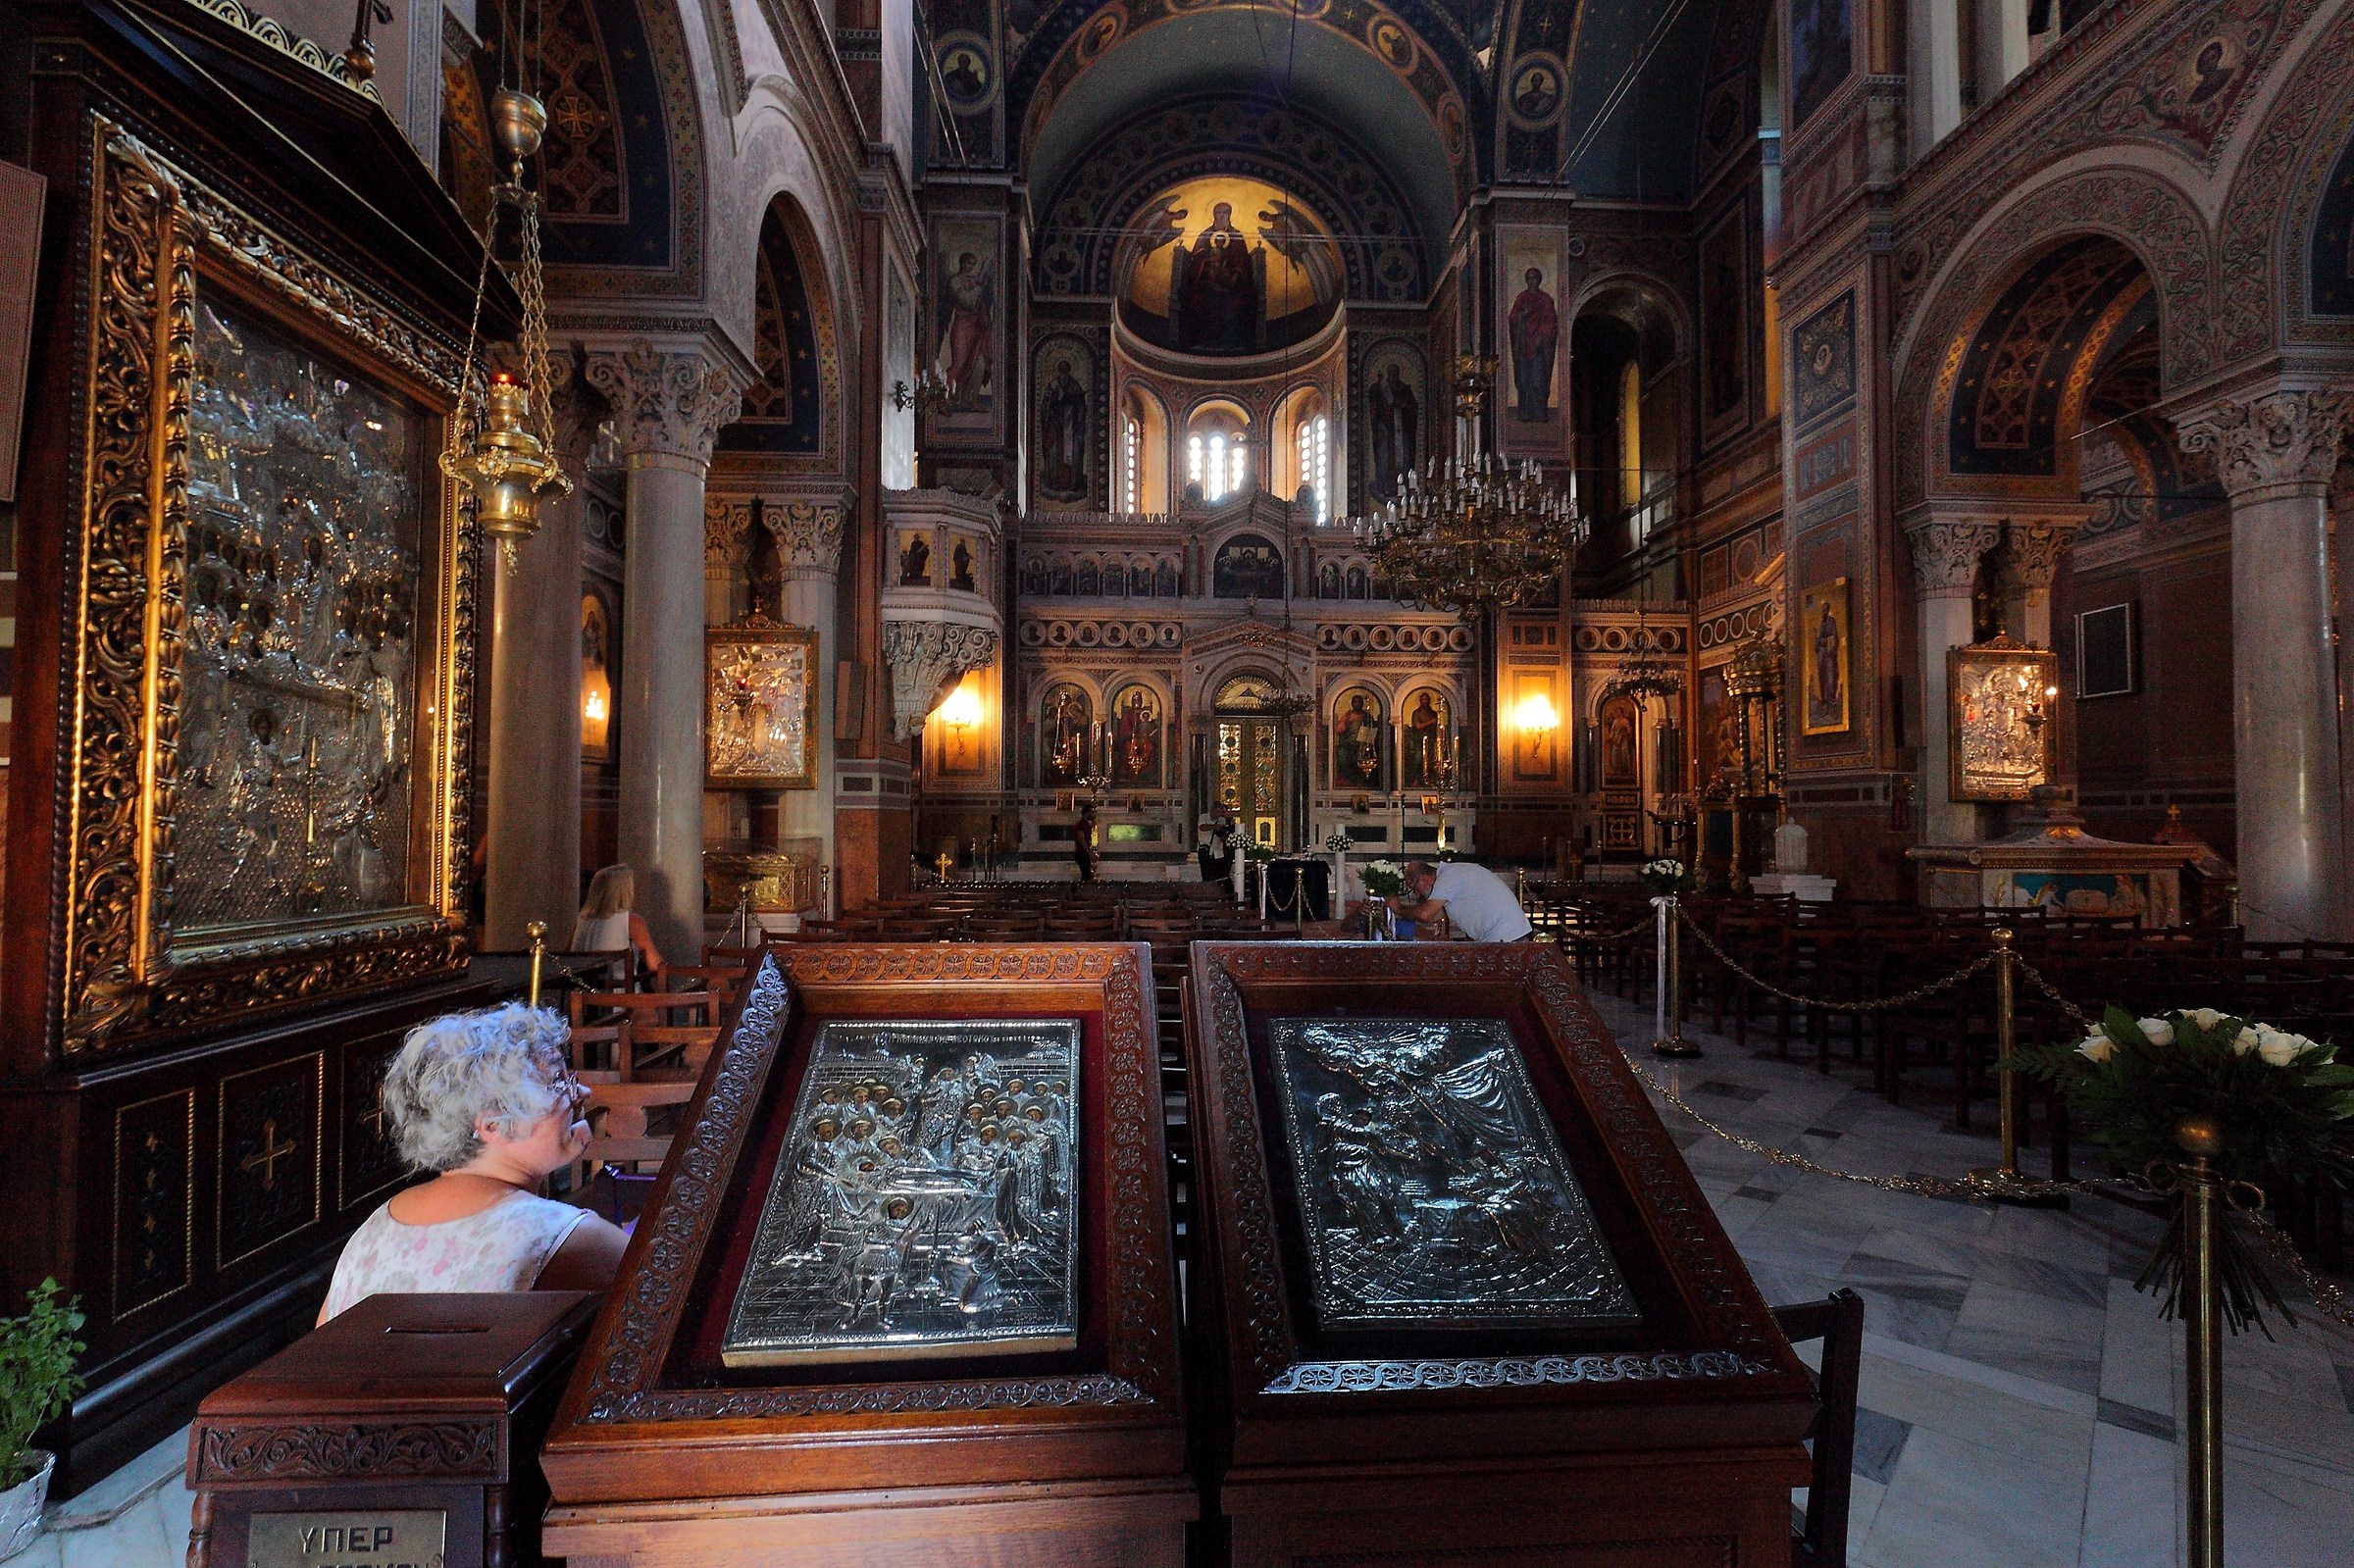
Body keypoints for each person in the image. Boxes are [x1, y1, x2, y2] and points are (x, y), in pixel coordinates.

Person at [319, 1004, 629, 1324]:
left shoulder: (369, 1235)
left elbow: (320, 1357)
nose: (584, 1092)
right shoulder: (566, 1238)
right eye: (558, 1085)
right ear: (492, 1126)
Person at [1387, 858, 1532, 943]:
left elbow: (1426, 914)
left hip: (1506, 937)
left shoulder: (1448, 877)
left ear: (1424, 878)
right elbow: (1436, 916)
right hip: (1503, 936)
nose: (1416, 893)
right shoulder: (1450, 876)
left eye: (1414, 887)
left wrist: (1398, 909)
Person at [572, 864, 663, 977]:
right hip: (619, 992)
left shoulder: (581, 921)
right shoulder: (632, 922)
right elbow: (655, 965)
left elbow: (567, 959)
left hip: (582, 991)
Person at [1074, 803, 1100, 883]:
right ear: (1087, 812)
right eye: (1091, 812)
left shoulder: (1087, 824)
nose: (1092, 814)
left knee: (1087, 875)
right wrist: (1090, 853)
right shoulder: (1080, 825)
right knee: (1086, 877)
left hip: (1084, 853)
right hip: (1082, 853)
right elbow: (1082, 839)